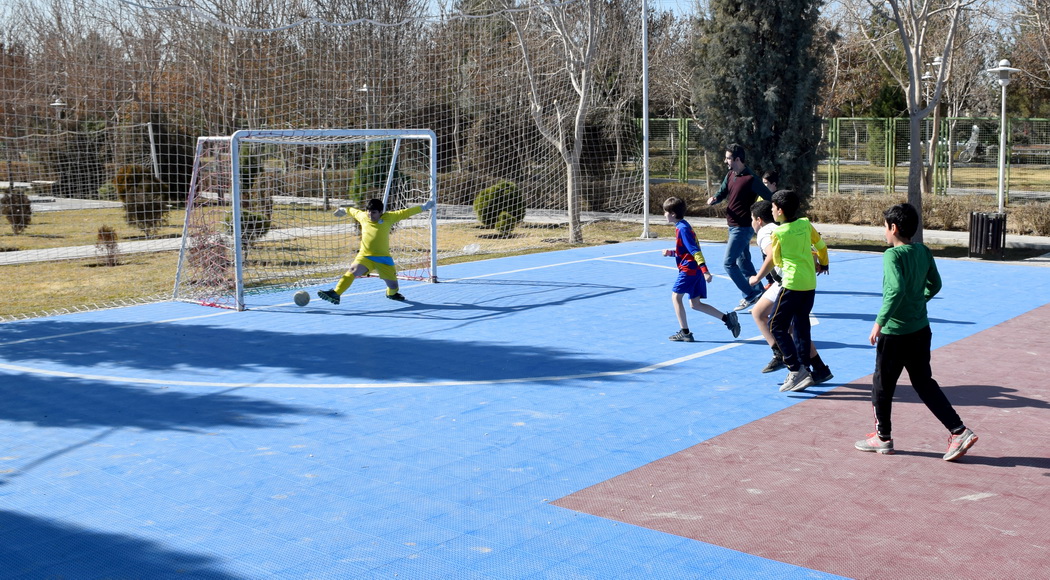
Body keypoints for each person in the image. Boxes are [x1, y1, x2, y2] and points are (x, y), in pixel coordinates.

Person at [855, 203, 977, 461]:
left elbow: (896, 289)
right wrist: (918, 301)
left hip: (895, 333)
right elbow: (936, 284)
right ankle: (959, 431)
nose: (884, 232)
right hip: (920, 329)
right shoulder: (923, 250)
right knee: (923, 382)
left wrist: (879, 322)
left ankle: (883, 438)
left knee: (881, 386)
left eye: (885, 227)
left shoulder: (892, 256)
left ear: (894, 228)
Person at [748, 190, 828, 392]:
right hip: (810, 285)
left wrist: (757, 278)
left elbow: (775, 259)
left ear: (780, 211)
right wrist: (823, 264)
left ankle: (795, 369)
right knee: (801, 328)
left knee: (776, 326)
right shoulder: (805, 224)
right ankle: (810, 370)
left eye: (773, 208)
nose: (772, 212)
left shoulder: (778, 233)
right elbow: (820, 245)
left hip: (792, 284)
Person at [317, 197, 435, 305]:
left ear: (380, 213)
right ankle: (335, 293)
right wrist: (343, 209)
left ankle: (391, 294)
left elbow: (406, 212)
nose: (370, 215)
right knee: (353, 270)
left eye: (373, 212)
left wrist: (423, 207)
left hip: (383, 258)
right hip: (365, 256)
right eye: (368, 211)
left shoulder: (389, 217)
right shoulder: (363, 216)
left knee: (393, 286)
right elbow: (352, 211)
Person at [662, 196, 741, 342]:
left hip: (690, 270)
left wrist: (705, 271)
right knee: (695, 304)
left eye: (665, 212)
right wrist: (671, 253)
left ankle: (685, 332)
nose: (664, 215)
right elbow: (685, 251)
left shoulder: (683, 229)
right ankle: (727, 319)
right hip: (694, 270)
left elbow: (695, 251)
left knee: (676, 297)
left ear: (672, 213)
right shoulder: (683, 225)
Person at [707, 144, 772, 311]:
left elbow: (769, 197)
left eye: (728, 158)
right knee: (743, 262)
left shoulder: (751, 179)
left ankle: (750, 294)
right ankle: (758, 292)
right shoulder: (730, 174)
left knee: (728, 263)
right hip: (732, 225)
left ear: (737, 159)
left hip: (742, 227)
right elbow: (722, 193)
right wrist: (715, 198)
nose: (725, 161)